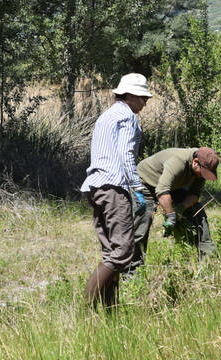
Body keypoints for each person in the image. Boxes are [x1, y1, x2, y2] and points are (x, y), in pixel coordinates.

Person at [80, 73, 152, 309]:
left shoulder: (106, 116)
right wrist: (137, 189)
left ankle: (111, 311)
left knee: (111, 253)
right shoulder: (127, 117)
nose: (145, 103)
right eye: (143, 98)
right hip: (114, 188)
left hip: (95, 187)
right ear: (130, 95)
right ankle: (86, 310)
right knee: (122, 252)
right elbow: (125, 155)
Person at [123, 147, 220, 277]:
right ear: (195, 162)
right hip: (146, 183)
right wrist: (171, 217)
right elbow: (162, 191)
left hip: (173, 186)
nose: (203, 177)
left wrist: (181, 208)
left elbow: (194, 195)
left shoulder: (202, 166)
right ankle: (131, 275)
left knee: (198, 213)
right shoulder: (178, 162)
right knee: (142, 225)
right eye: (203, 173)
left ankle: (208, 263)